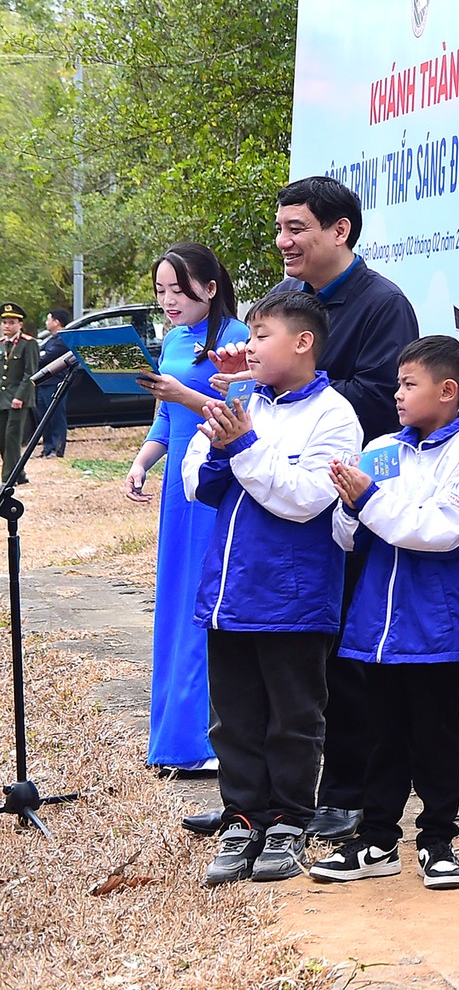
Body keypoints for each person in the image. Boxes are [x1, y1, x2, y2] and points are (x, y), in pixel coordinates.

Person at [207, 175, 419, 844]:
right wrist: (257, 379)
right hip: (269, 505)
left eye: (296, 228)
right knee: (267, 679)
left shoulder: (383, 303)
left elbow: (385, 401)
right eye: (279, 229)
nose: (283, 242)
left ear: (340, 231)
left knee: (341, 663)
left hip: (348, 500)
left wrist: (289, 387)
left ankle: (342, 796)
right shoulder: (287, 301)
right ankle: (260, 802)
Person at [183, 291, 362, 886]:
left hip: (292, 595)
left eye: (261, 335)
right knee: (232, 717)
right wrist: (225, 428)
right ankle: (242, 816)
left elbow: (307, 498)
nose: (248, 345)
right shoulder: (240, 398)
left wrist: (242, 445)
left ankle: (287, 820)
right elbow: (193, 481)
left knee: (293, 715)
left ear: (303, 342)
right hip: (229, 589)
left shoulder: (334, 415)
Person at [311, 335, 459, 891]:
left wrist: (369, 500)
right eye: (397, 383)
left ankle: (437, 840)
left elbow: (438, 531)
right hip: (376, 627)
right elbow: (349, 537)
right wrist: (349, 506)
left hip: (436, 629)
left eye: (408, 384)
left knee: (436, 737)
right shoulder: (382, 448)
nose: (396, 394)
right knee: (379, 735)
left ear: (448, 391)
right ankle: (376, 840)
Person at [128, 246, 248, 773]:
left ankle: (208, 740)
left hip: (216, 486)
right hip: (177, 491)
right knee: (174, 603)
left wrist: (183, 393)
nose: (169, 302)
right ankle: (174, 739)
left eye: (178, 290)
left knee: (207, 603)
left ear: (210, 287)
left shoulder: (240, 340)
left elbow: (241, 414)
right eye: (160, 292)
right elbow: (164, 415)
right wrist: (142, 462)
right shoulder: (174, 340)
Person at [0, 303, 36, 480]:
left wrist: (20, 396)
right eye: (4, 322)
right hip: (2, 398)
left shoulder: (27, 344)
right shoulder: (1, 344)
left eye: (11, 322)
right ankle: (19, 473)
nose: (7, 326)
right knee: (2, 439)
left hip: (17, 398)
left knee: (12, 438)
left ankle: (8, 478)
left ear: (20, 324)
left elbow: (30, 373)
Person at [34, 308, 71, 458]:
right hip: (43, 383)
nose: (46, 322)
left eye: (48, 319)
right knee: (43, 417)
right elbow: (40, 354)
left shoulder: (63, 340)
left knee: (56, 416)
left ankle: (57, 448)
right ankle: (47, 448)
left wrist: (42, 355)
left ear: (56, 322)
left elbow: (45, 358)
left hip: (56, 382)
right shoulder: (51, 340)